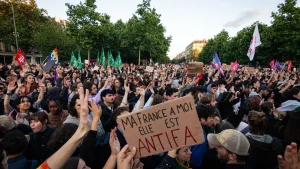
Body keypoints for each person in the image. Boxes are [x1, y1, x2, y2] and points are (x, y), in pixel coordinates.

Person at [190, 104, 214, 168]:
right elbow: (196, 160)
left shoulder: (191, 125)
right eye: (210, 117)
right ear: (202, 119)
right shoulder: (201, 135)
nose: (212, 119)